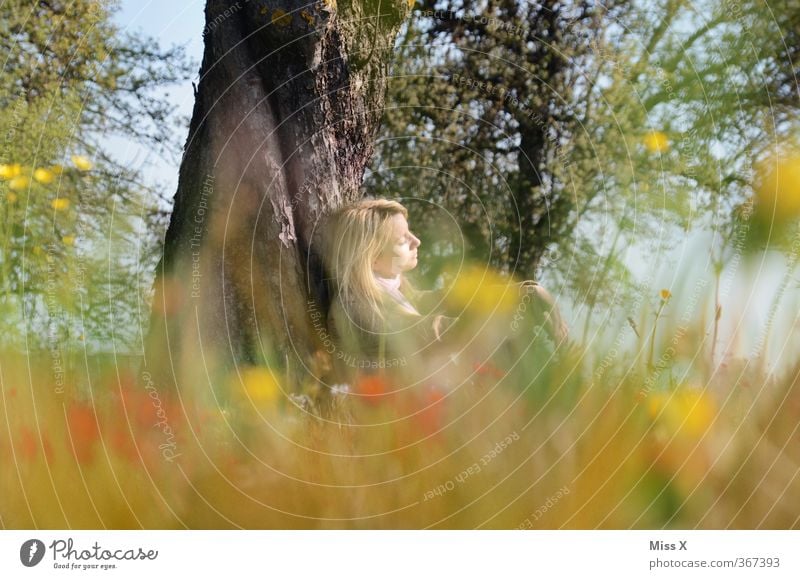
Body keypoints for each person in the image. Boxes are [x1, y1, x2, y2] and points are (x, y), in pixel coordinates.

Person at [321, 198, 568, 387]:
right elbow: (429, 330)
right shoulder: (356, 308)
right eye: (402, 240)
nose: (416, 241)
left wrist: (526, 293)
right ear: (373, 258)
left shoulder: (399, 291)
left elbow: (453, 300)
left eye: (410, 232)